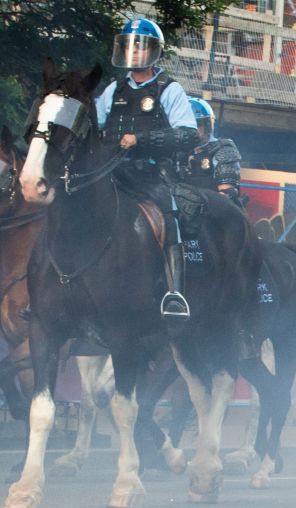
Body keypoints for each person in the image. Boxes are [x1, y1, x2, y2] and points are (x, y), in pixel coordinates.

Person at [96, 17, 198, 319]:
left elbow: (187, 134)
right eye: (129, 46)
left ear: (154, 52)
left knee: (169, 212)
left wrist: (140, 139)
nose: (134, 52)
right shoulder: (113, 89)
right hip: (112, 172)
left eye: (141, 47)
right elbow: (97, 126)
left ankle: (174, 292)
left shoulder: (169, 89)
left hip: (152, 174)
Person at [181, 97, 242, 201]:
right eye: (187, 125)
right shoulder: (178, 153)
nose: (192, 129)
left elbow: (227, 193)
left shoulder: (222, 150)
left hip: (213, 210)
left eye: (197, 124)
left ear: (207, 125)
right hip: (183, 208)